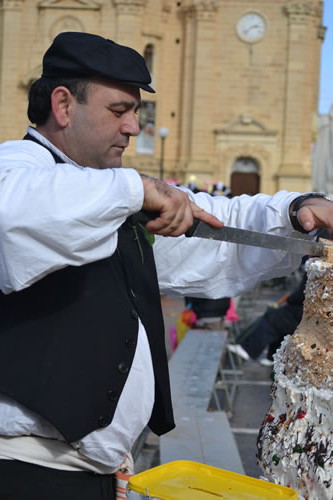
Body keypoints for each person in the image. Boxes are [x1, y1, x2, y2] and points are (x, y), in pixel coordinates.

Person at [0, 31, 333, 500]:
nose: (135, 127)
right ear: (62, 105)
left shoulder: (108, 193)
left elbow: (214, 236)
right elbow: (13, 219)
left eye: (136, 112)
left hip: (92, 479)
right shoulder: (17, 169)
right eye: (120, 111)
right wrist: (136, 187)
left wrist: (296, 212)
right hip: (22, 473)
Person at [227, 273, 306, 366]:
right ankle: (273, 357)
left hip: (300, 313)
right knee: (278, 322)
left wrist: (290, 299)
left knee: (273, 319)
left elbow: (302, 294)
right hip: (301, 313)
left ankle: (248, 349)